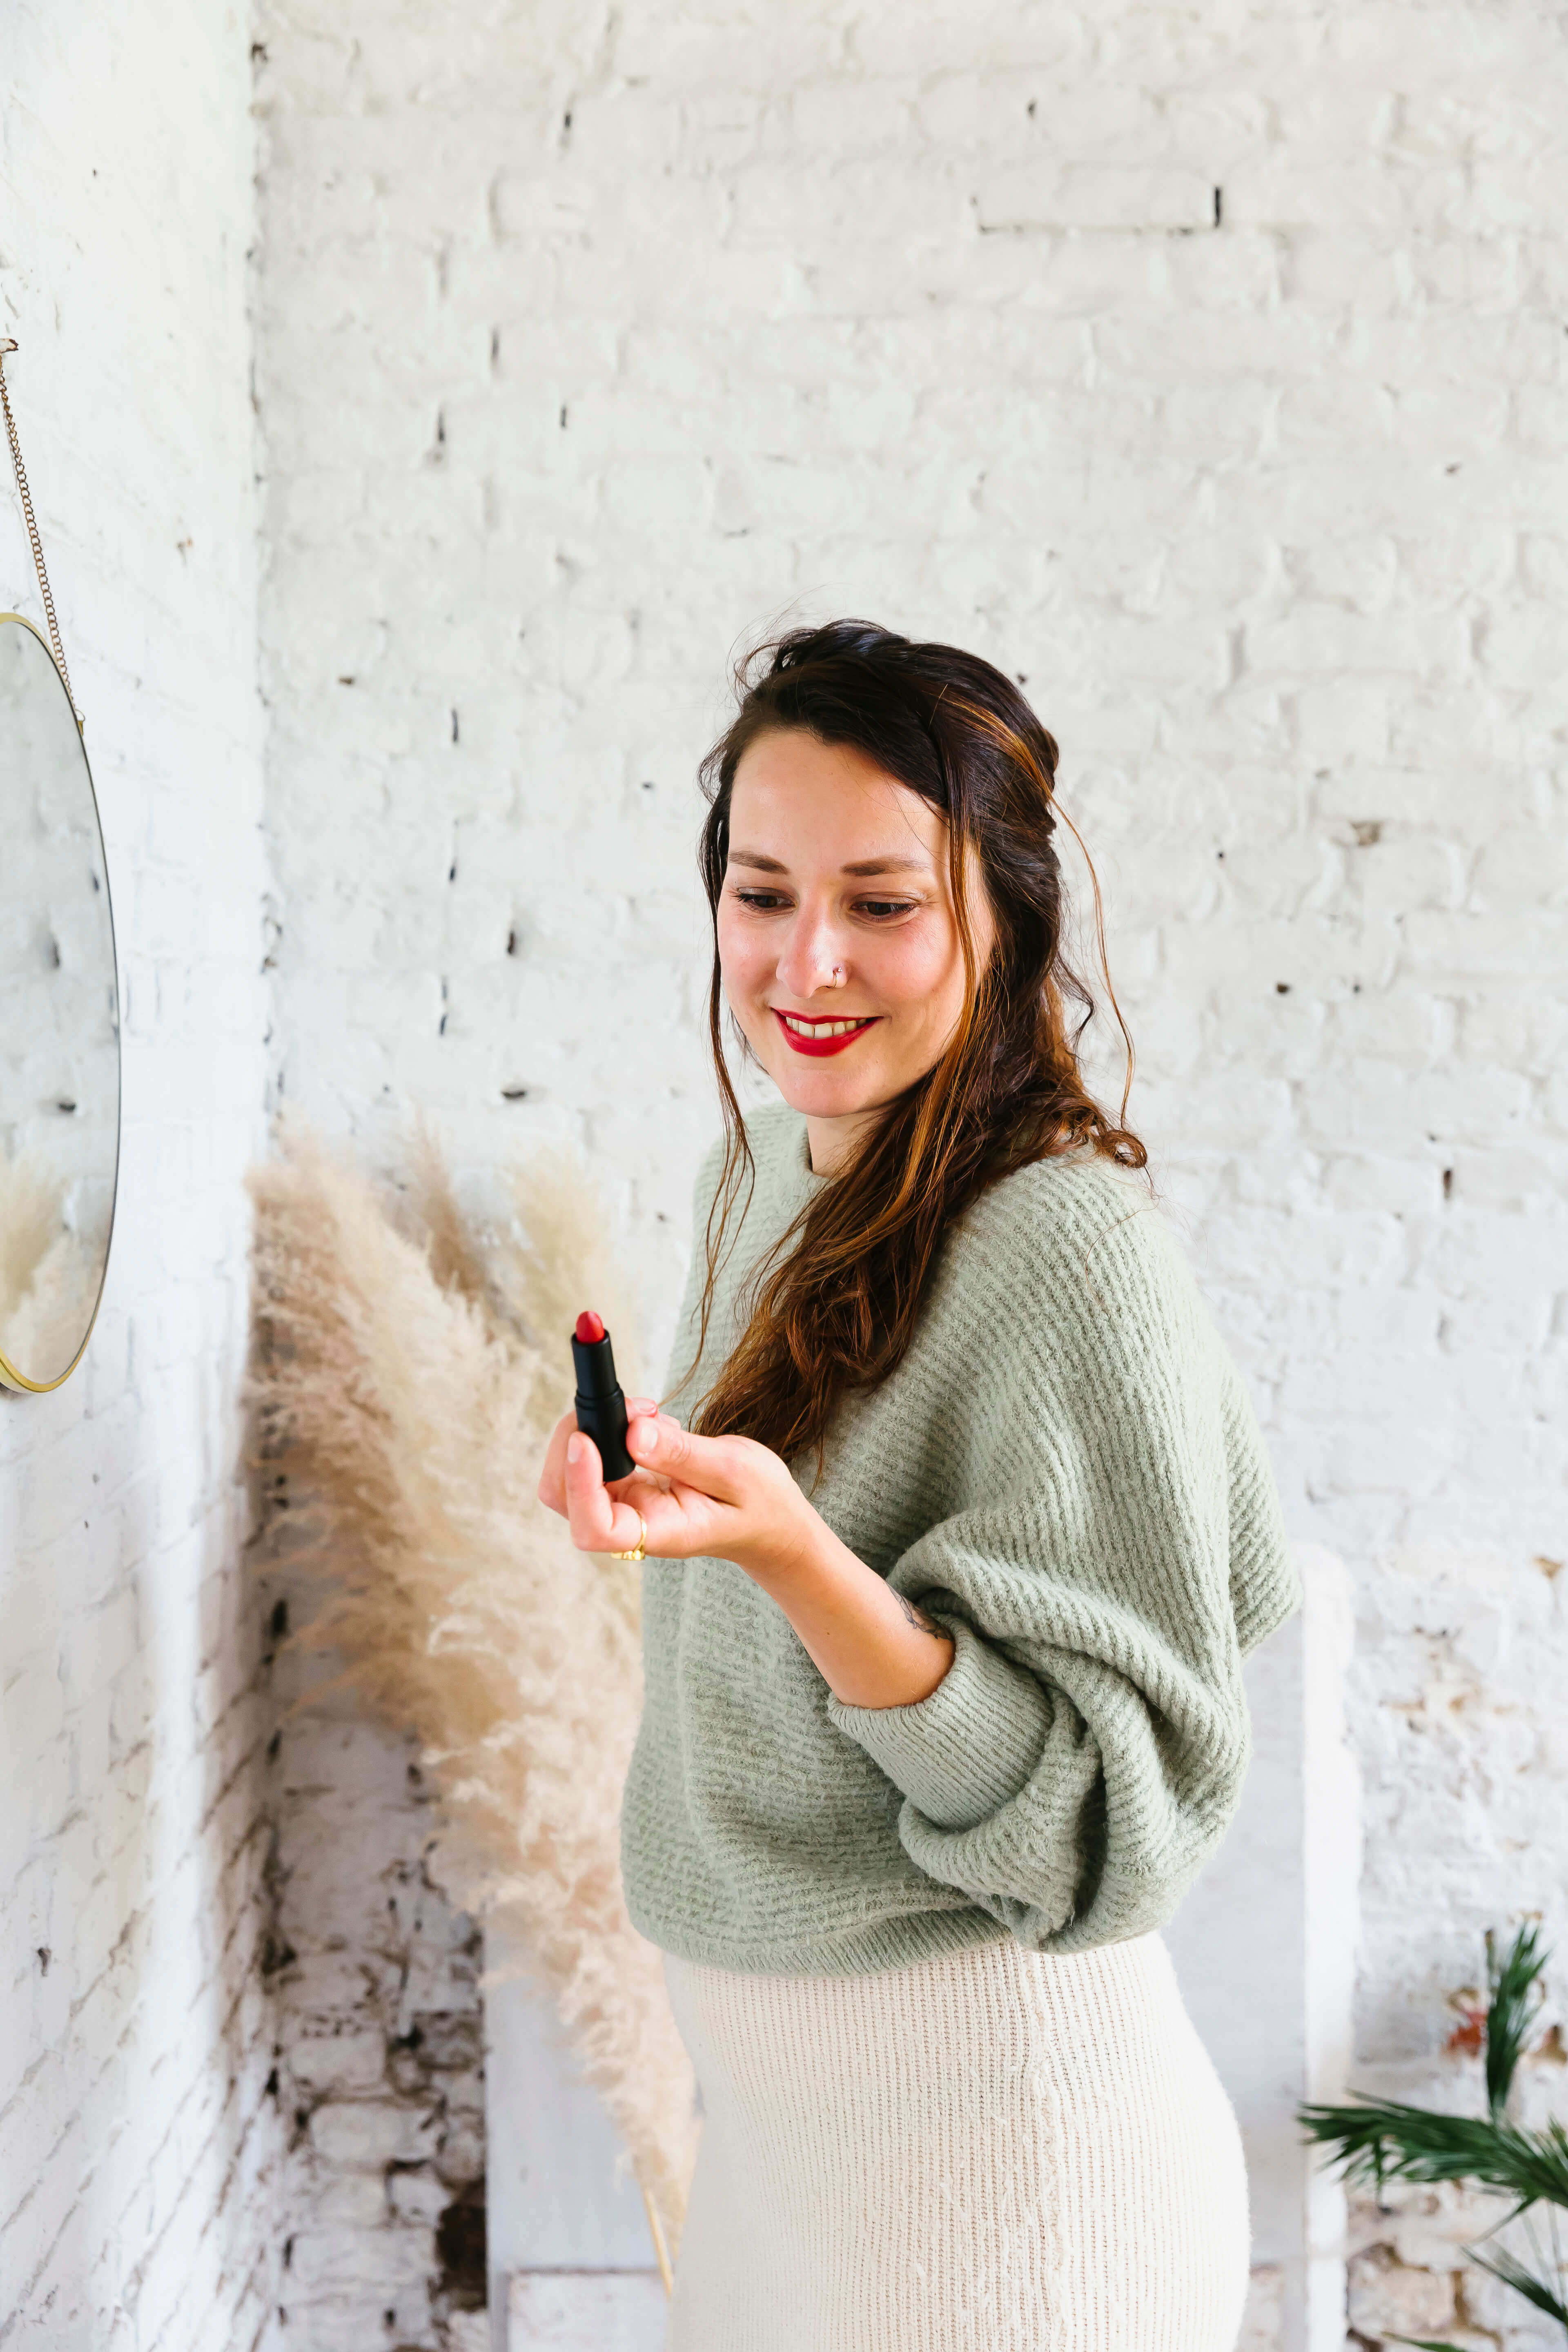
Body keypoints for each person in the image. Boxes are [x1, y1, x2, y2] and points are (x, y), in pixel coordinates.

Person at [539, 620, 1297, 2352]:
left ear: (1003, 920)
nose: (807, 961)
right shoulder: (762, 1181)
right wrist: (664, 1492)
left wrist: (795, 1557)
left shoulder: (1063, 1249)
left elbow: (1101, 1835)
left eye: (882, 904)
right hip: (782, 2161)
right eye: (761, 892)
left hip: (1004, 2166)